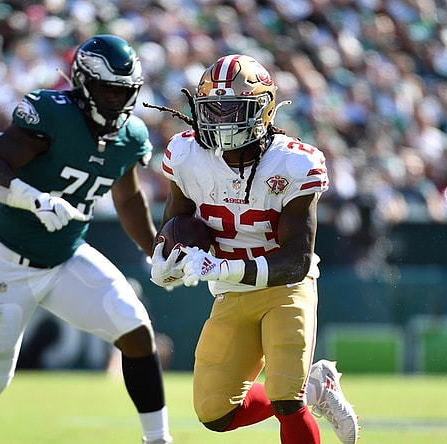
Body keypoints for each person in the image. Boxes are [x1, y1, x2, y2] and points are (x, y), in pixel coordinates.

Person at [0, 35, 172, 444]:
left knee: (136, 330)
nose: (116, 102)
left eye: (124, 93)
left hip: (66, 258)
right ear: (83, 83)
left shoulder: (129, 136)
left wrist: (158, 252)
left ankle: (158, 440)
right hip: (7, 259)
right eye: (108, 91)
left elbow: (128, 198)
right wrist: (34, 198)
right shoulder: (52, 115)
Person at [147, 55, 359, 443]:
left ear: (263, 110)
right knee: (214, 411)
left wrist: (221, 269)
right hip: (233, 293)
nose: (221, 120)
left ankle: (302, 393)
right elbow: (176, 224)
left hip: (284, 288)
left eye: (234, 110)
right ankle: (318, 389)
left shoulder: (293, 162)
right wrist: (164, 262)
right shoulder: (186, 154)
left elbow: (296, 261)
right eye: (213, 109)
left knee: (285, 398)